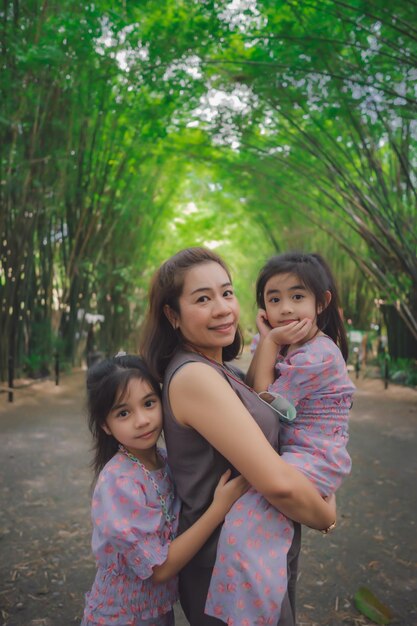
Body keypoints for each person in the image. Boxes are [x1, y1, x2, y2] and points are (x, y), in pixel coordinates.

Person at [140, 247, 337, 626]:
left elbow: (262, 404)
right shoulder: (195, 377)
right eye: (202, 299)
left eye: (227, 293)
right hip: (228, 574)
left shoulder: (219, 369)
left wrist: (272, 340)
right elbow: (277, 484)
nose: (222, 308)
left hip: (252, 558)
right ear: (172, 315)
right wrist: (326, 515)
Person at [207, 251, 355, 624]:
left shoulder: (317, 355)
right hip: (294, 452)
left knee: (245, 526)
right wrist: (266, 340)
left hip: (314, 456)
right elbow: (253, 381)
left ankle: (250, 615)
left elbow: (264, 406)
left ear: (322, 302)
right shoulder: (283, 344)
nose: (286, 308)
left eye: (297, 296)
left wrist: (270, 342)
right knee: (249, 527)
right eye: (274, 299)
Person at [80, 353, 247, 626]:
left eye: (148, 403)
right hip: (121, 617)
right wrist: (218, 509)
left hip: (157, 612)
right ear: (104, 425)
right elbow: (158, 569)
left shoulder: (164, 460)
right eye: (124, 413)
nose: (142, 420)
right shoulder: (119, 484)